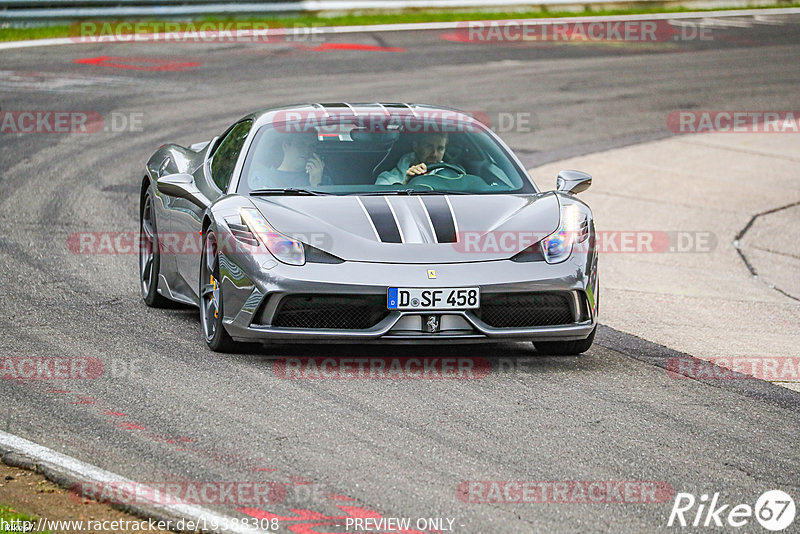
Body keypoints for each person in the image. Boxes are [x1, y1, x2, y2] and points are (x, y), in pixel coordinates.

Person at [251, 133, 331, 189]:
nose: (307, 150)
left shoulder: (323, 180)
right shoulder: (262, 179)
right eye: (301, 144)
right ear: (285, 145)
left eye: (312, 146)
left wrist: (317, 184)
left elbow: (328, 208)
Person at [375, 133, 449, 186]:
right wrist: (406, 183)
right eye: (429, 146)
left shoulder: (451, 177)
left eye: (440, 148)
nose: (434, 154)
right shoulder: (387, 180)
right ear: (416, 147)